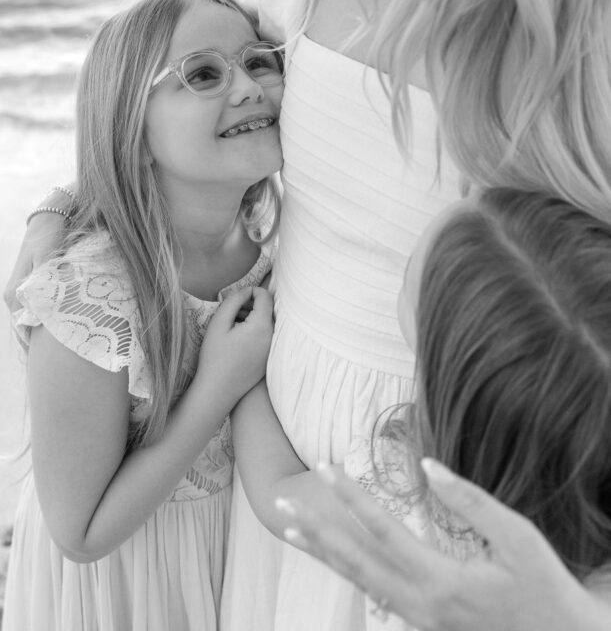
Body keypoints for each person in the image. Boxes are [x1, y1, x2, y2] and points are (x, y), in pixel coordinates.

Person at [9, 0, 611, 626]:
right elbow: (198, 128)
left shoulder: (582, 10)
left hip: (475, 470)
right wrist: (63, 214)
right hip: (277, 432)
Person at [2, 0, 284, 631]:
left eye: (260, 61)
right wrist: (216, 387)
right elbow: (81, 532)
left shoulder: (281, 241)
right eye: (203, 74)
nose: (246, 87)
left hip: (233, 564)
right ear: (133, 128)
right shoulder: (89, 295)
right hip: (120, 590)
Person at [229, 188, 611, 629]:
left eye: (410, 271)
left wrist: (243, 380)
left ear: (438, 363)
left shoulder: (412, 481)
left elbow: (279, 496)